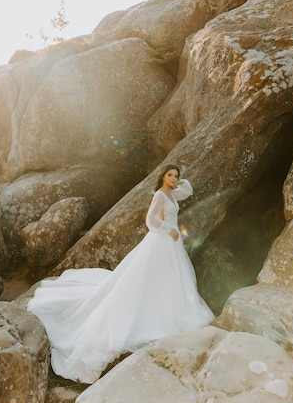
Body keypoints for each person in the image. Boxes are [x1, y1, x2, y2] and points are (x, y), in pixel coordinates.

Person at [27, 164, 214, 384]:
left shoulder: (172, 194)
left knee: (171, 279)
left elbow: (187, 191)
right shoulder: (160, 196)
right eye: (170, 175)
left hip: (170, 245)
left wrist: (181, 183)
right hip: (160, 242)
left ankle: (168, 306)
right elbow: (151, 221)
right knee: (146, 279)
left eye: (176, 176)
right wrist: (169, 229)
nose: (174, 179)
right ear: (162, 176)